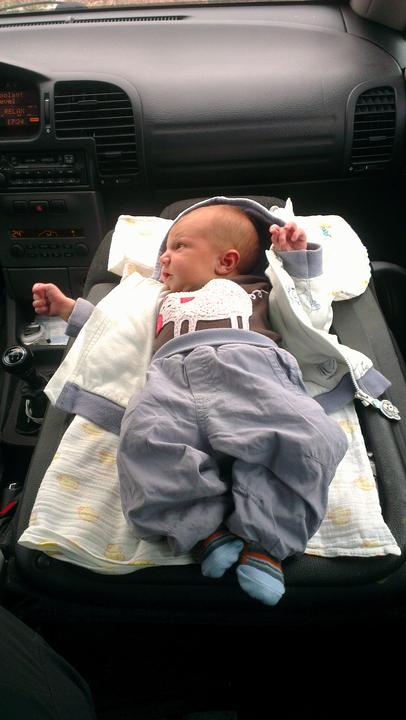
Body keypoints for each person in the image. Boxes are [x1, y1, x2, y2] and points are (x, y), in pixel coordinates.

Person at [33, 202, 348, 607]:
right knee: (142, 440)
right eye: (164, 249)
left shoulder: (258, 288)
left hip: (252, 371)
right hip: (171, 378)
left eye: (178, 246)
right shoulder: (158, 298)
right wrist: (67, 309)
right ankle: (202, 532)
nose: (163, 257)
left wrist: (295, 261)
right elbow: (116, 326)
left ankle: (267, 543)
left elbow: (306, 309)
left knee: (311, 437)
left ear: (226, 261)